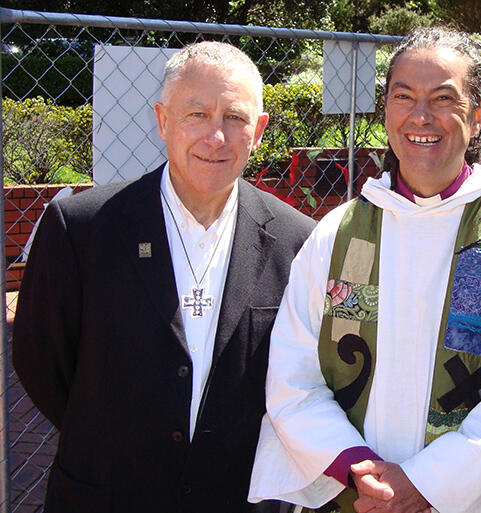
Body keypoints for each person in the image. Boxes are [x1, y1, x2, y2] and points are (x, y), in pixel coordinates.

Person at [248, 27, 481, 513]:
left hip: (466, 500)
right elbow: (293, 374)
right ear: (387, 112)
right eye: (404, 97)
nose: (421, 116)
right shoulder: (342, 233)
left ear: (478, 116)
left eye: (444, 99)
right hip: (355, 497)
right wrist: (356, 467)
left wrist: (425, 485)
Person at [12, 41, 315, 513]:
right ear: (163, 120)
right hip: (107, 495)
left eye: (234, 117)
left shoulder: (299, 243)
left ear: (258, 131)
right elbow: (41, 362)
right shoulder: (82, 229)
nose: (216, 137)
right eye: (196, 114)